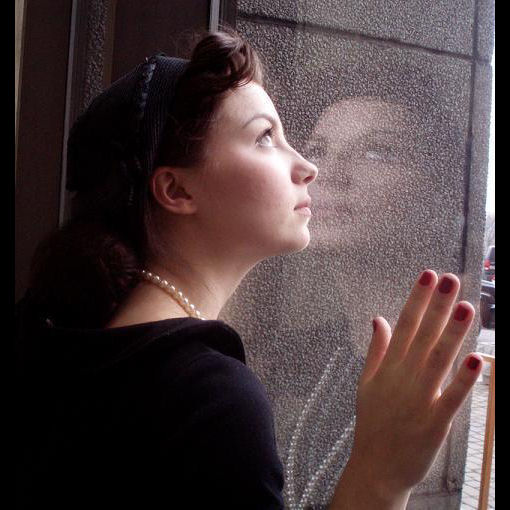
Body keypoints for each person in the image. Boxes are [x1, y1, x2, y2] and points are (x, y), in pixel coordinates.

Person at [15, 27, 482, 509]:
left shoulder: (62, 335)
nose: (310, 167)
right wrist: (381, 477)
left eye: (377, 150)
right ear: (177, 190)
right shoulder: (207, 396)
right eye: (265, 137)